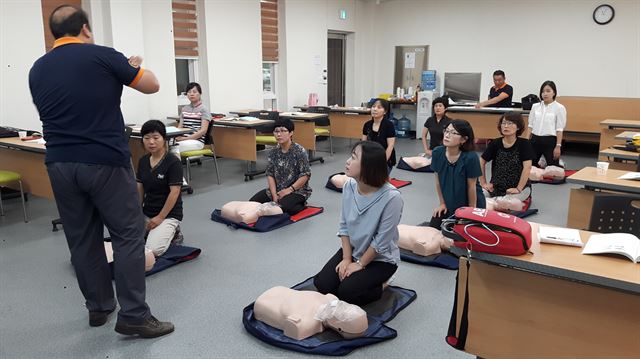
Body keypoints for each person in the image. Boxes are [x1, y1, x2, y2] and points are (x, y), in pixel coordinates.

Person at [28, 5, 173, 338]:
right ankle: (134, 315)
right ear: (86, 29)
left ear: (54, 34)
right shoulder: (103, 56)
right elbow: (152, 86)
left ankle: (98, 308)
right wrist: (132, 67)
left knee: (81, 239)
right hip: (104, 161)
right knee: (127, 236)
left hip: (60, 165)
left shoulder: (37, 69)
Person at [314, 141, 403, 306]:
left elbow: (381, 242)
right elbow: (344, 226)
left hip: (381, 259)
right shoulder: (349, 186)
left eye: (354, 158)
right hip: (354, 250)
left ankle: (384, 284)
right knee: (323, 284)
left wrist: (360, 264)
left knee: (348, 293)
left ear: (368, 166)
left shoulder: (392, 197)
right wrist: (347, 259)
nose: (347, 161)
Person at [136, 120, 184, 257]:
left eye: (156, 138)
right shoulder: (143, 161)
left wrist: (160, 218)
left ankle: (174, 232)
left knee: (154, 250)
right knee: (125, 239)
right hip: (147, 212)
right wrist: (137, 212)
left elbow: (174, 193)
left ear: (164, 139)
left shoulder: (173, 162)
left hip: (168, 215)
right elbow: (140, 188)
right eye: (146, 138)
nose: (151, 142)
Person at [429, 120, 485, 230]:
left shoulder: (471, 157)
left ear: (464, 139)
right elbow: (437, 181)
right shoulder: (437, 152)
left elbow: (471, 187)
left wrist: (471, 212)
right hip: (449, 203)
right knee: (432, 230)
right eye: (446, 131)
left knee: (462, 238)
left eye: (453, 133)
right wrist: (442, 204)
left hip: (470, 205)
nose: (447, 135)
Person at [250, 118, 311, 215]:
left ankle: (301, 203)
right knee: (252, 203)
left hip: (297, 191)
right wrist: (274, 195)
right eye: (276, 131)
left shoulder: (299, 151)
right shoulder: (273, 152)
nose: (279, 134)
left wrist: (289, 190)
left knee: (283, 208)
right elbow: (270, 174)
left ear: (291, 133)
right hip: (277, 190)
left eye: (283, 131)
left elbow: (305, 175)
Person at [479, 112, 535, 202]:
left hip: (518, 190)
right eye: (503, 123)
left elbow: (527, 167)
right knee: (477, 197)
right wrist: (483, 183)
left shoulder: (524, 144)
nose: (505, 126)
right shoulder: (495, 143)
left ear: (518, 127)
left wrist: (518, 188)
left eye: (510, 123)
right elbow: (481, 161)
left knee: (505, 203)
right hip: (495, 188)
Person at [524, 80, 567, 168]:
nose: (545, 94)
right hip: (535, 140)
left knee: (553, 169)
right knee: (529, 167)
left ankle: (557, 163)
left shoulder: (559, 108)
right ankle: (541, 163)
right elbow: (530, 125)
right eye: (543, 91)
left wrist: (558, 146)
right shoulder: (535, 106)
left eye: (548, 91)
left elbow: (559, 129)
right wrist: (526, 142)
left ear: (554, 92)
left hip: (550, 141)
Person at [361, 98, 396, 173]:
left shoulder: (389, 125)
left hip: (384, 159)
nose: (375, 109)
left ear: (385, 111)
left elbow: (391, 145)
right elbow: (363, 144)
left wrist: (382, 162)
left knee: (377, 182)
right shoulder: (367, 125)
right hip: (370, 158)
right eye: (373, 107)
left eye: (379, 107)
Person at [176, 82, 212, 153]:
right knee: (164, 145)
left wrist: (185, 139)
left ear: (200, 94)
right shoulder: (184, 109)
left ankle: (175, 164)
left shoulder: (204, 109)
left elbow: (203, 131)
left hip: (197, 141)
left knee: (174, 148)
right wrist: (175, 137)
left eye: (194, 92)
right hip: (184, 139)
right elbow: (180, 128)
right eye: (189, 92)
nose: (191, 94)